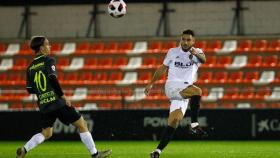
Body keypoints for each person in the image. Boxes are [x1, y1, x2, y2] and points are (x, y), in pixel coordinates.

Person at [16, 36, 112, 158]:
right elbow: (52, 77)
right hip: (57, 102)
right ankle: (95, 154)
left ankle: (24, 149)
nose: (49, 46)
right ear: (41, 48)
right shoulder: (48, 60)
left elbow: (30, 90)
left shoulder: (30, 68)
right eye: (47, 44)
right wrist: (63, 96)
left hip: (44, 105)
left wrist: (43, 92)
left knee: (46, 133)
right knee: (82, 124)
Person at [145, 29, 208, 158]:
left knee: (174, 122)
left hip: (184, 92)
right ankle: (194, 125)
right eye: (183, 39)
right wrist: (151, 83)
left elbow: (204, 60)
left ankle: (157, 151)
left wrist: (195, 53)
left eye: (188, 40)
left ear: (193, 41)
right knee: (198, 91)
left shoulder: (197, 52)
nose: (185, 42)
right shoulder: (173, 52)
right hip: (172, 86)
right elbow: (162, 68)